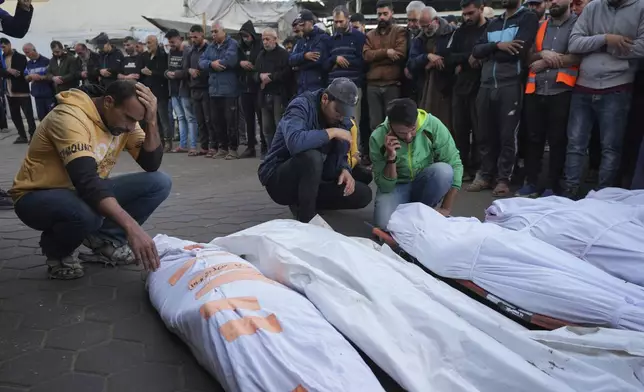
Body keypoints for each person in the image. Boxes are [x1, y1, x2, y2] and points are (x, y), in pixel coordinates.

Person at [9, 81, 170, 279]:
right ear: (109, 102)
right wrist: (132, 227)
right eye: (128, 118)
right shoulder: (69, 116)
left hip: (82, 191)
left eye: (136, 121)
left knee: (159, 183)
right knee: (87, 215)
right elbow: (86, 181)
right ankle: (57, 253)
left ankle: (104, 240)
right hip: (37, 195)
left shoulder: (126, 121)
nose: (130, 127)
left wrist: (152, 121)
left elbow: (151, 164)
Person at [258, 78, 372, 223]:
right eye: (338, 111)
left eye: (345, 113)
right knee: (311, 156)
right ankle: (307, 219)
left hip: (317, 176)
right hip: (280, 178)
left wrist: (345, 169)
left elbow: (341, 152)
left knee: (363, 191)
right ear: (325, 99)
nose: (341, 116)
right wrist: (331, 132)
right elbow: (295, 142)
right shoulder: (301, 106)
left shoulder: (342, 119)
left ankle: (307, 200)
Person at [563, 0, 644, 197]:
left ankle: (603, 196)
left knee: (611, 147)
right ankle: (569, 191)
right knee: (575, 144)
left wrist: (594, 46)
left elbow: (641, 48)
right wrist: (606, 39)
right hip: (584, 84)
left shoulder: (641, 8)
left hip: (617, 86)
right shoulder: (593, 7)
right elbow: (573, 43)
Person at [468, 0, 539, 196]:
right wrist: (499, 45)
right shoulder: (494, 22)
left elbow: (517, 52)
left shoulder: (528, 17)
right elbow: (476, 50)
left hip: (510, 84)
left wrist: (489, 51)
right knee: (484, 134)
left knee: (507, 135)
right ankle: (485, 175)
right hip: (486, 84)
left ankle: (503, 178)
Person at [370, 98, 463, 228]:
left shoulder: (433, 125)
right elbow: (385, 187)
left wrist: (446, 208)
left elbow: (455, 163)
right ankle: (413, 214)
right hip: (397, 186)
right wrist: (391, 158)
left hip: (423, 180)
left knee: (444, 171)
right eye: (402, 133)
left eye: (412, 129)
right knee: (385, 225)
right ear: (390, 125)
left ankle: (422, 209)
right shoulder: (378, 136)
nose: (408, 137)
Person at [518, 0, 578, 197]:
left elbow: (578, 57)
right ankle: (532, 183)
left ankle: (553, 186)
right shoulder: (541, 25)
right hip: (535, 90)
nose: (553, 2)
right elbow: (528, 58)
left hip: (561, 91)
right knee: (533, 139)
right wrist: (542, 54)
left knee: (558, 141)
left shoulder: (578, 25)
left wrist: (546, 62)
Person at [447, 0, 487, 182]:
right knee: (460, 129)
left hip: (481, 85)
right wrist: (468, 57)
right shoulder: (460, 31)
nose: (467, 17)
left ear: (481, 9)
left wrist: (478, 54)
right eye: (464, 14)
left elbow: (492, 51)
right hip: (461, 86)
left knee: (481, 131)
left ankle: (480, 169)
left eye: (471, 13)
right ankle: (462, 167)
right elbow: (449, 57)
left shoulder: (490, 29)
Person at [363, 1, 407, 148]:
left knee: (393, 123)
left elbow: (400, 53)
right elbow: (366, 56)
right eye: (379, 14)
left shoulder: (399, 31)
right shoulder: (370, 35)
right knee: (375, 124)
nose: (382, 17)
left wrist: (376, 58)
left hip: (392, 84)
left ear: (391, 14)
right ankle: (377, 156)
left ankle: (395, 158)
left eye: (385, 14)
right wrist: (387, 52)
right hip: (373, 86)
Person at [407, 7, 456, 131]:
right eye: (422, 26)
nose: (424, 30)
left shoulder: (452, 33)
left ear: (435, 21)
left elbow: (456, 56)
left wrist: (437, 62)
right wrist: (427, 57)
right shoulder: (420, 38)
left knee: (447, 124)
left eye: (427, 26)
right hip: (426, 87)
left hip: (448, 87)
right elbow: (411, 63)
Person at [199, 20, 240, 160]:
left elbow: (230, 60)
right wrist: (212, 64)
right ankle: (222, 147)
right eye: (211, 32)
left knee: (230, 121)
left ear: (223, 31)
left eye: (216, 31)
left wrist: (216, 63)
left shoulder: (232, 44)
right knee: (217, 121)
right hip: (214, 90)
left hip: (229, 90)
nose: (213, 34)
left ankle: (233, 149)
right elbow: (202, 61)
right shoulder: (211, 46)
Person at [326, 6, 365, 127]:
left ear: (348, 19)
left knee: (352, 122)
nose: (338, 25)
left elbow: (363, 60)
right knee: (334, 122)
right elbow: (324, 63)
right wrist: (334, 59)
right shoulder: (331, 40)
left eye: (341, 21)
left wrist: (346, 61)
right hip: (333, 87)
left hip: (352, 86)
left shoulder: (359, 37)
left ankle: (354, 146)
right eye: (335, 22)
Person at [254, 28, 291, 156]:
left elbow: (287, 73)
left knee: (279, 125)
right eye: (263, 39)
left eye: (267, 39)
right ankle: (270, 153)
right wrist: (259, 76)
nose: (265, 42)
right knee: (266, 127)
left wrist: (271, 77)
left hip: (279, 94)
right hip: (264, 95)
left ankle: (281, 153)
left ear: (275, 40)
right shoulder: (261, 55)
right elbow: (254, 72)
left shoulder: (283, 54)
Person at [165, 29, 197, 155]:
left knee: (190, 118)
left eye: (173, 41)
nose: (171, 44)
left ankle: (193, 145)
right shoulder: (171, 52)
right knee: (180, 117)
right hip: (173, 90)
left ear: (180, 39)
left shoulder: (187, 51)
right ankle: (183, 145)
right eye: (169, 42)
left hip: (185, 89)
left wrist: (175, 74)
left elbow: (187, 70)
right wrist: (167, 73)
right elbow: (168, 68)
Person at [238, 20, 266, 158]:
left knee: (261, 118)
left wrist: (254, 67)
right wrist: (240, 63)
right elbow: (234, 61)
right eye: (243, 36)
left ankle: (265, 146)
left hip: (257, 87)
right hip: (245, 87)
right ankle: (250, 147)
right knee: (249, 119)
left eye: (247, 36)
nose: (245, 38)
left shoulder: (260, 46)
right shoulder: (240, 48)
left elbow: (263, 63)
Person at [186, 25, 216, 157]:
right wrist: (189, 70)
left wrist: (201, 72)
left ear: (202, 35)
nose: (193, 39)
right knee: (200, 120)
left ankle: (213, 146)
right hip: (194, 89)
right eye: (191, 37)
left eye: (195, 37)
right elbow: (185, 67)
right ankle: (204, 147)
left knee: (210, 119)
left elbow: (211, 66)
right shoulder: (190, 51)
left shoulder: (209, 49)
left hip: (206, 88)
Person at [0, 38, 36, 144]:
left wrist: (6, 72)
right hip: (9, 92)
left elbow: (18, 73)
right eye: (1, 48)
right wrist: (8, 70)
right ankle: (22, 136)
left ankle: (33, 135)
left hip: (21, 91)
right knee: (15, 116)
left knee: (28, 115)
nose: (3, 50)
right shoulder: (2, 58)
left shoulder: (20, 57)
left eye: (4, 47)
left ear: (9, 45)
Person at [289, 9, 330, 95]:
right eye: (300, 24)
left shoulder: (322, 38)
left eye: (303, 23)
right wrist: (304, 56)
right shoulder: (301, 41)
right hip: (302, 87)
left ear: (311, 22)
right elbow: (291, 60)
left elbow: (316, 60)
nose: (301, 27)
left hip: (317, 87)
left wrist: (299, 65)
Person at [141, 35, 171, 151]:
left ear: (156, 43)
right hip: (149, 91)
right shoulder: (145, 56)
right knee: (153, 119)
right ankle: (159, 142)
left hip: (161, 91)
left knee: (163, 118)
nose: (148, 45)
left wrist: (151, 73)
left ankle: (168, 141)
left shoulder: (163, 56)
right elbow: (140, 70)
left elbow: (164, 73)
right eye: (146, 43)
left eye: (150, 43)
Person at [23, 43, 55, 121]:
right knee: (42, 118)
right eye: (25, 53)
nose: (26, 55)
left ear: (34, 50)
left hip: (49, 95)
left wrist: (40, 77)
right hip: (37, 95)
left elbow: (52, 76)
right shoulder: (28, 64)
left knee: (51, 118)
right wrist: (30, 76)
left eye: (27, 52)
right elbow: (26, 78)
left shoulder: (47, 61)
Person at [403, 1, 425, 102]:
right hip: (408, 85)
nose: (411, 24)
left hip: (425, 81)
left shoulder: (430, 35)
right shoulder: (406, 34)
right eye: (409, 20)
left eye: (415, 20)